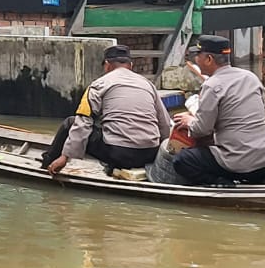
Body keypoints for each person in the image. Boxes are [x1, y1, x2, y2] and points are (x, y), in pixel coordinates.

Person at [40, 44, 172, 175]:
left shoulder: (98, 85)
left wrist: (65, 156)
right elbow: (164, 123)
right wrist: (161, 155)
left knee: (70, 122)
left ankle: (47, 163)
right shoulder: (148, 85)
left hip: (118, 154)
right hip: (150, 153)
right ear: (130, 65)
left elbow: (83, 122)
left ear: (107, 65)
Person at [169, 35, 265, 185]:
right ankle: (258, 177)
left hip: (237, 163)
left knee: (182, 160)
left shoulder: (212, 85)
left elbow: (201, 130)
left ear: (208, 59)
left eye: (197, 56)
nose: (196, 61)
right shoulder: (251, 78)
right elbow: (258, 114)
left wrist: (190, 121)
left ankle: (221, 182)